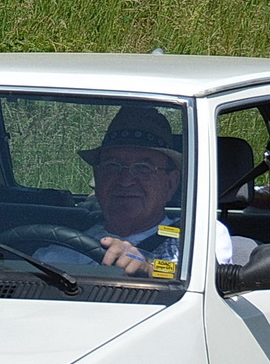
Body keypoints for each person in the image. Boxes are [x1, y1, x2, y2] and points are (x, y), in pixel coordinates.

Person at [39, 103, 254, 276]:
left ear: (171, 183)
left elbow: (205, 281)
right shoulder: (66, 243)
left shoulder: (199, 235)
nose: (125, 181)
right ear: (98, 176)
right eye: (112, 166)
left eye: (143, 168)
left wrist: (149, 267)